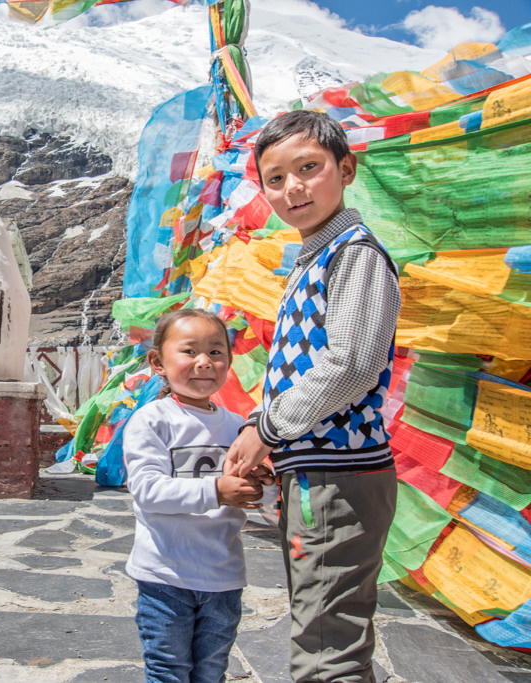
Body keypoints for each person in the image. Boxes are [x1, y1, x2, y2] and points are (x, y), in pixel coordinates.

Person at [226, 109, 402, 682]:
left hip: (339, 476)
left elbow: (350, 364)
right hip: (318, 473)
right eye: (274, 179)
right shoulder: (317, 255)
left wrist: (266, 427)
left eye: (308, 168)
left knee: (326, 651)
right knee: (325, 627)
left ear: (345, 169)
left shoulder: (353, 253)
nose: (291, 188)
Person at [124, 308, 276, 683]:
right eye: (189, 352)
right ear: (158, 362)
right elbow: (147, 490)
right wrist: (217, 490)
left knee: (211, 671)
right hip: (164, 576)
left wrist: (264, 486)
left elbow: (263, 505)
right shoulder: (152, 421)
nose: (204, 362)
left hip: (223, 578)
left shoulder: (238, 427)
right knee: (169, 670)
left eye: (215, 352)